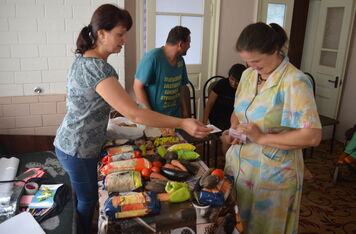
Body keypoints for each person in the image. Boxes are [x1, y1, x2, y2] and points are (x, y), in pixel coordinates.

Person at [53, 5, 211, 234]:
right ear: (101, 33)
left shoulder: (85, 60)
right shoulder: (98, 69)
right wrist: (183, 122)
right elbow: (134, 113)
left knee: (83, 197)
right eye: (120, 34)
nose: (124, 40)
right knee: (86, 202)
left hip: (74, 143)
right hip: (77, 148)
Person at [221, 22, 322, 233]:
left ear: (274, 50)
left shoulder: (295, 81)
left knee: (264, 228)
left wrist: (261, 138)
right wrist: (235, 129)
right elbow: (238, 111)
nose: (252, 66)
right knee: (235, 223)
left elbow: (312, 136)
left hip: (272, 175)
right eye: (247, 61)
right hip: (240, 169)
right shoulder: (248, 75)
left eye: (256, 60)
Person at [133, 26, 191, 118]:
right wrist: (149, 113)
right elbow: (137, 87)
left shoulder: (180, 60)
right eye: (188, 43)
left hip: (176, 117)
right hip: (157, 117)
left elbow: (182, 87)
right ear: (180, 44)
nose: (189, 46)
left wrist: (184, 111)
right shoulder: (153, 58)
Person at [203, 64, 246, 131]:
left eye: (237, 81)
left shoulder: (245, 87)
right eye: (231, 79)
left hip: (235, 117)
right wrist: (204, 123)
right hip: (218, 117)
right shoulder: (222, 84)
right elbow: (209, 104)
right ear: (229, 76)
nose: (234, 83)